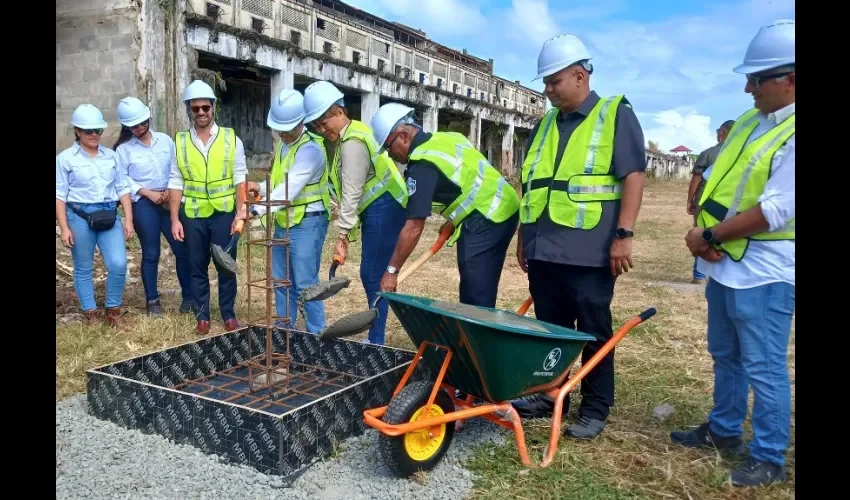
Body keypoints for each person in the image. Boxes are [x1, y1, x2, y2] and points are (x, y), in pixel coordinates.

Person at [509, 34, 647, 440]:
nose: (547, 90)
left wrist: (624, 235)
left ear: (580, 75)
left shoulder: (613, 114)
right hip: (544, 249)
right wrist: (523, 237)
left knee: (591, 331)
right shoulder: (547, 123)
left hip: (591, 252)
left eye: (553, 82)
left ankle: (596, 407)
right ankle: (551, 395)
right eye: (545, 83)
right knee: (551, 330)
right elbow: (533, 184)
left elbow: (633, 176)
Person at [676, 19, 795, 488]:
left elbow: (777, 210)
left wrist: (708, 237)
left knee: (764, 365)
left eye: (757, 78)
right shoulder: (752, 121)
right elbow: (721, 183)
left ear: (791, 79)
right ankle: (724, 430)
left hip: (766, 271)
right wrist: (704, 235)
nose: (748, 88)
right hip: (726, 263)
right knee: (725, 353)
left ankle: (768, 455)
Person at [370, 103, 520, 309]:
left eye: (388, 146)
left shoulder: (422, 164)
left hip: (488, 217)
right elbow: (462, 181)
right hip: (506, 206)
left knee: (475, 292)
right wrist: (454, 219)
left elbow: (414, 226)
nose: (389, 154)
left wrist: (391, 272)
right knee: (480, 281)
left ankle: (477, 334)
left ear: (404, 136)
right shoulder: (447, 138)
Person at [302, 81, 408, 345]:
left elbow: (352, 192)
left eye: (323, 121)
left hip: (385, 207)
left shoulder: (352, 143)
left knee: (373, 274)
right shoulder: (354, 133)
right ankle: (376, 334)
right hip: (382, 207)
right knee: (373, 273)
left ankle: (376, 339)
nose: (321, 129)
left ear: (339, 111)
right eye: (316, 126)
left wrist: (342, 236)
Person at [244, 89, 333, 333]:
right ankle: (284, 330)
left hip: (308, 223)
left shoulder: (310, 150)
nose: (283, 133)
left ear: (302, 122)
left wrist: (253, 211)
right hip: (284, 220)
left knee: (305, 283)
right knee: (281, 281)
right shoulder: (284, 144)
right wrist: (259, 187)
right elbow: (279, 183)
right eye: (279, 128)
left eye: (288, 128)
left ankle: (317, 334)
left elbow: (288, 191)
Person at [168, 80, 248, 335]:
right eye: (195, 109)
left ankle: (228, 313)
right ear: (189, 110)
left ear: (214, 107)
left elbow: (240, 178)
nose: (201, 113)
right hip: (191, 214)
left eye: (205, 107)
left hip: (224, 213)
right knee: (196, 265)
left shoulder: (230, 139)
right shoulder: (179, 142)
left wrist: (241, 212)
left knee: (226, 264)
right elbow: (175, 181)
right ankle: (202, 315)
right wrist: (174, 220)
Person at [56, 104, 135, 327]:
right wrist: (64, 228)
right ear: (77, 132)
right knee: (83, 267)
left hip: (109, 215)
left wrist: (128, 219)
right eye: (88, 131)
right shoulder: (65, 159)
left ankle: (113, 311)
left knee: (118, 264)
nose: (94, 135)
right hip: (79, 217)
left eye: (98, 130)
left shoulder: (111, 156)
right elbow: (59, 195)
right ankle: (90, 314)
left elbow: (123, 188)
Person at [114, 96, 193, 317]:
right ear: (126, 126)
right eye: (133, 125)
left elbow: (176, 168)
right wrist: (145, 191)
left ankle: (188, 297)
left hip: (169, 200)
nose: (139, 128)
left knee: (182, 249)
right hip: (144, 204)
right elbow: (122, 180)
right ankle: (153, 301)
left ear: (148, 118)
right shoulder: (124, 150)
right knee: (151, 253)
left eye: (142, 123)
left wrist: (170, 191)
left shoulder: (165, 140)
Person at [687, 120, 735, 284]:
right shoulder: (741, 152)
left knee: (701, 232)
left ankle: (699, 275)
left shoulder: (709, 153)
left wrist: (690, 200)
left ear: (721, 132)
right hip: (730, 203)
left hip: (706, 201)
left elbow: (696, 178)